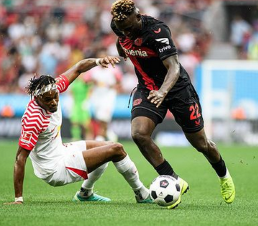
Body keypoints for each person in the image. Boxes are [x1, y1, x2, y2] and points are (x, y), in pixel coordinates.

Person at [110, 0, 235, 209]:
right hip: (148, 89)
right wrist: (120, 54)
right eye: (122, 30)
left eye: (130, 29)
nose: (126, 34)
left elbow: (174, 67)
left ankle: (224, 176)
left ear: (138, 17)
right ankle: (172, 178)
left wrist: (163, 91)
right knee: (139, 133)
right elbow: (121, 42)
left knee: (201, 143)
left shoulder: (157, 32)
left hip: (177, 89)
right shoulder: (120, 28)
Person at [5, 56, 152, 205]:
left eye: (55, 97)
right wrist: (18, 199)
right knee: (116, 149)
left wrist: (98, 62)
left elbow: (79, 67)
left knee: (106, 146)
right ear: (37, 98)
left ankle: (85, 193)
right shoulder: (33, 119)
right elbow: (20, 158)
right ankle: (142, 194)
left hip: (61, 152)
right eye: (48, 100)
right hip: (55, 169)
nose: (54, 102)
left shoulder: (52, 87)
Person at [84, 50, 122, 142]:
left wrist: (113, 86)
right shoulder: (94, 70)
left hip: (109, 96)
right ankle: (109, 133)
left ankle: (99, 139)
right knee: (99, 118)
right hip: (96, 97)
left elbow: (119, 83)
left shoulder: (114, 69)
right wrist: (93, 81)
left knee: (103, 117)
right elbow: (85, 81)